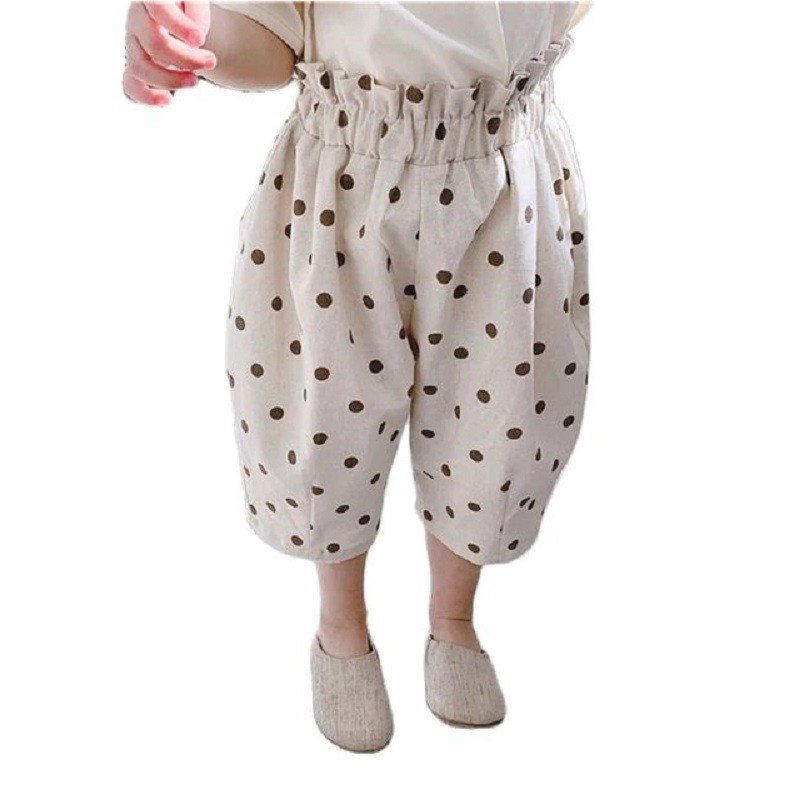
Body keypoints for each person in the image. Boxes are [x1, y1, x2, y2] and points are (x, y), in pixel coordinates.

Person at [123, 0, 592, 753]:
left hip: (505, 163)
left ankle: (452, 619)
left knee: (498, 417)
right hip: (346, 178)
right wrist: (199, 36)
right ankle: (341, 625)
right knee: (328, 419)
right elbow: (273, 44)